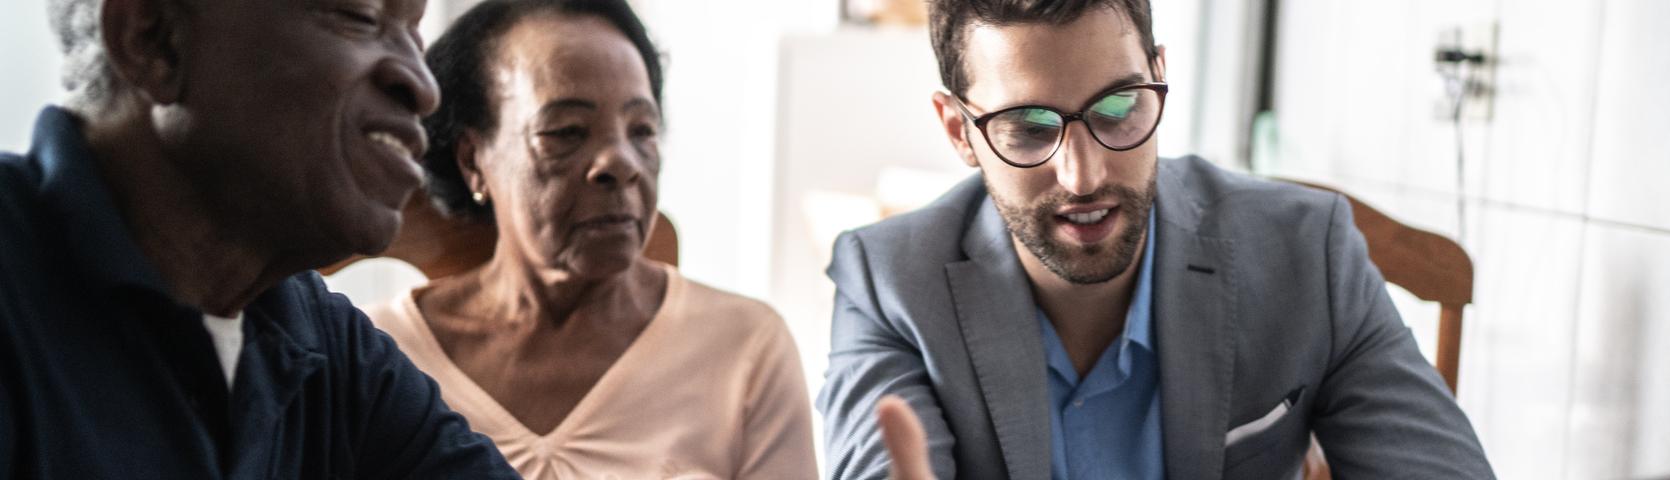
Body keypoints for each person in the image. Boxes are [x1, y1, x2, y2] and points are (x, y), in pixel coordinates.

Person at [815, 0, 1497, 478]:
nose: (1083, 176)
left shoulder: (1307, 257)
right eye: (1029, 128)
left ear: (1159, 76)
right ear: (959, 131)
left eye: (1118, 109)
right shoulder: (889, 284)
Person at [0, 0, 517, 477]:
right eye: (359, 16)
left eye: (414, 36)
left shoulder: (312, 336)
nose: (424, 89)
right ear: (154, 40)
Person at [359, 0, 817, 478]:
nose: (621, 163)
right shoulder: (379, 355)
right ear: (473, 160)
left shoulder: (743, 348)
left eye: (642, 130)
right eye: (567, 131)